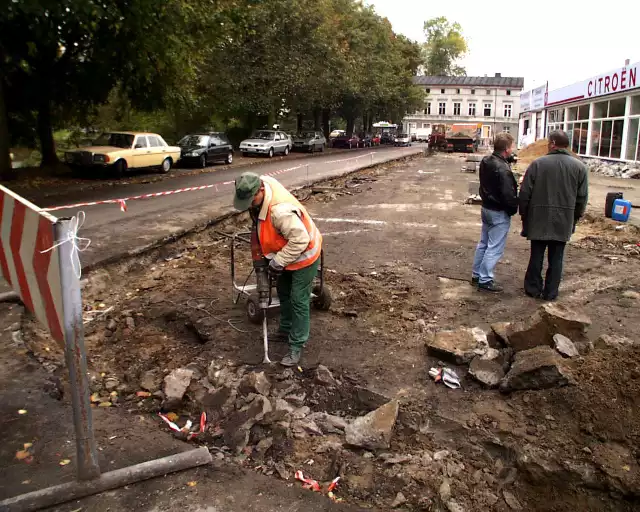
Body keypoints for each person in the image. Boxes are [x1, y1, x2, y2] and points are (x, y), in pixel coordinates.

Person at [233, 172, 322, 366]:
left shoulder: (279, 212)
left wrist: (277, 261)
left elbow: (301, 240)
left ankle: (296, 345)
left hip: (305, 254)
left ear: (261, 190)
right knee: (283, 292)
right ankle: (285, 329)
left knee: (299, 299)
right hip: (284, 251)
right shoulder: (260, 184)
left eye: (250, 200)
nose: (248, 205)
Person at [519, 130, 588, 301]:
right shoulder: (579, 167)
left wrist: (524, 216)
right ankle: (551, 292)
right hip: (564, 218)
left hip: (538, 217)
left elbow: (525, 193)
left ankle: (533, 288)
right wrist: (574, 218)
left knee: (536, 255)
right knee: (556, 258)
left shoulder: (537, 164)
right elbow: (581, 198)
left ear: (552, 144)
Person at [471, 132, 518, 292]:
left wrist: (507, 161)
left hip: (487, 207)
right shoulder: (503, 169)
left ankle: (477, 275)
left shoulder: (487, 161)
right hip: (499, 211)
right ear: (506, 149)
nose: (513, 150)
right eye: (511, 147)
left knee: (483, 243)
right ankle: (485, 280)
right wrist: (513, 209)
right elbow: (507, 194)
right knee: (494, 247)